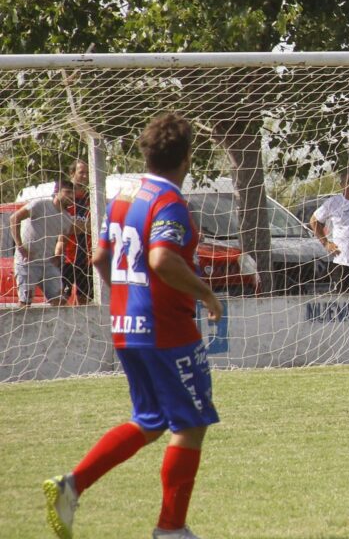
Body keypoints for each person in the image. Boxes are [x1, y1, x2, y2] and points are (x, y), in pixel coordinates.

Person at [43, 112, 224, 539]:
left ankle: (72, 486)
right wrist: (206, 294)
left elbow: (100, 258)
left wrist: (127, 298)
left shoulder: (123, 197)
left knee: (151, 419)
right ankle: (171, 529)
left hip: (127, 326)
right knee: (190, 424)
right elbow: (162, 259)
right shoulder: (170, 201)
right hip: (166, 328)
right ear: (187, 158)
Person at [10, 178, 79, 307]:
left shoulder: (66, 218)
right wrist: (20, 246)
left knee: (59, 301)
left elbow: (62, 239)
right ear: (57, 191)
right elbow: (14, 218)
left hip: (48, 263)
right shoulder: (40, 204)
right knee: (25, 304)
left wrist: (58, 255)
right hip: (27, 261)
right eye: (68, 192)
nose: (71, 196)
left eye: (73, 194)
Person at [63, 160, 93, 304]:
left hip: (87, 258)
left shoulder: (91, 199)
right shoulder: (65, 197)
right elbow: (64, 227)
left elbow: (97, 226)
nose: (85, 176)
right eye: (81, 172)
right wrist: (87, 227)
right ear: (72, 173)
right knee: (61, 299)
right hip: (66, 257)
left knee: (83, 300)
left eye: (87, 173)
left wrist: (78, 227)